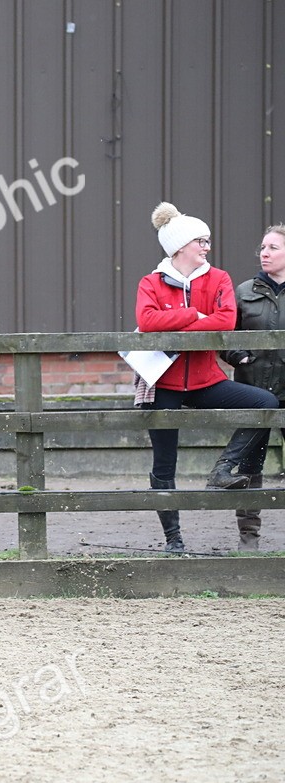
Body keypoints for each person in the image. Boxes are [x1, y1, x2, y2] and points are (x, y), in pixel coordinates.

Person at [135, 202, 278, 554]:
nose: (206, 247)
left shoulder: (219, 279)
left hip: (206, 379)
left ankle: (223, 467)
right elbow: (147, 322)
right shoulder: (151, 282)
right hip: (163, 384)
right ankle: (174, 539)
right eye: (201, 241)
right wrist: (195, 314)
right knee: (164, 464)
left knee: (264, 403)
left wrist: (181, 320)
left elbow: (226, 321)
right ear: (181, 245)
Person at [222, 223, 285, 550]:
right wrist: (240, 358)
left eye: (273, 247)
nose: (264, 252)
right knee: (249, 466)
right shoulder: (244, 292)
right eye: (263, 247)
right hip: (253, 392)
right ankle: (249, 539)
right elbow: (224, 338)